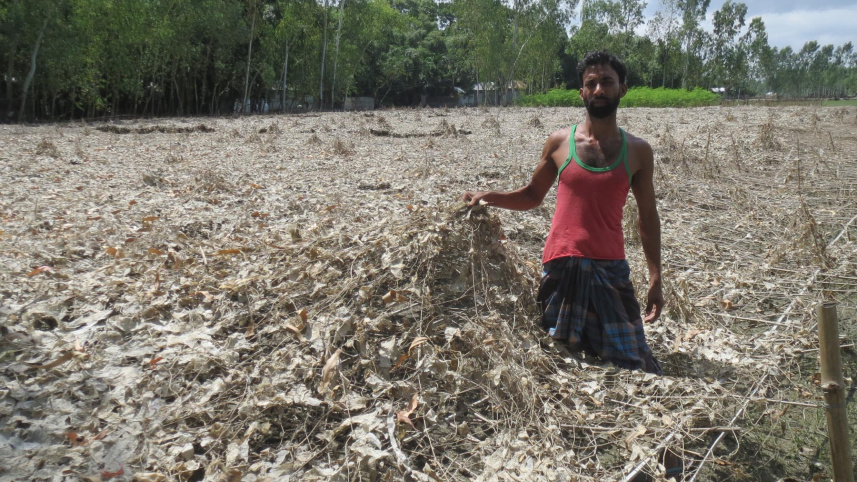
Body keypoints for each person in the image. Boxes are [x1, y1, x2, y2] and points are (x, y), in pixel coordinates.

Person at [462, 50, 663, 374]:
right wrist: (489, 197)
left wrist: (655, 277)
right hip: (561, 267)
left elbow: (648, 218)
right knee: (559, 361)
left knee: (634, 364)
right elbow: (531, 195)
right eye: (591, 83)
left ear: (622, 88)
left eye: (607, 82)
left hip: (610, 270)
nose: (599, 90)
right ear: (581, 92)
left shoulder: (638, 151)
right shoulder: (559, 143)